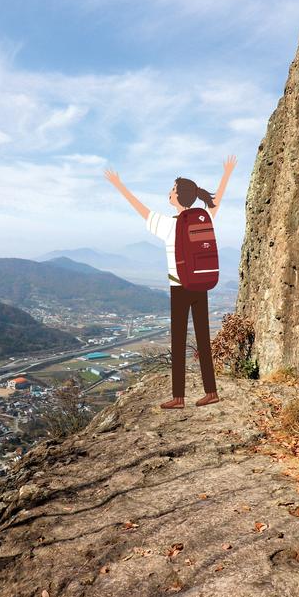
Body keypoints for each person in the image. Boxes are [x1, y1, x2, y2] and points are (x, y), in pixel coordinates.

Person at [103, 156, 237, 409]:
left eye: (172, 190)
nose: (169, 193)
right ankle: (212, 391)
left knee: (178, 341)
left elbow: (140, 209)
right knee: (203, 339)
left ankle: (178, 398)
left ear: (177, 197)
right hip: (201, 284)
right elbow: (216, 202)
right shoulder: (201, 218)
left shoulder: (168, 225)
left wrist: (119, 186)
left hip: (180, 287)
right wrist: (227, 174)